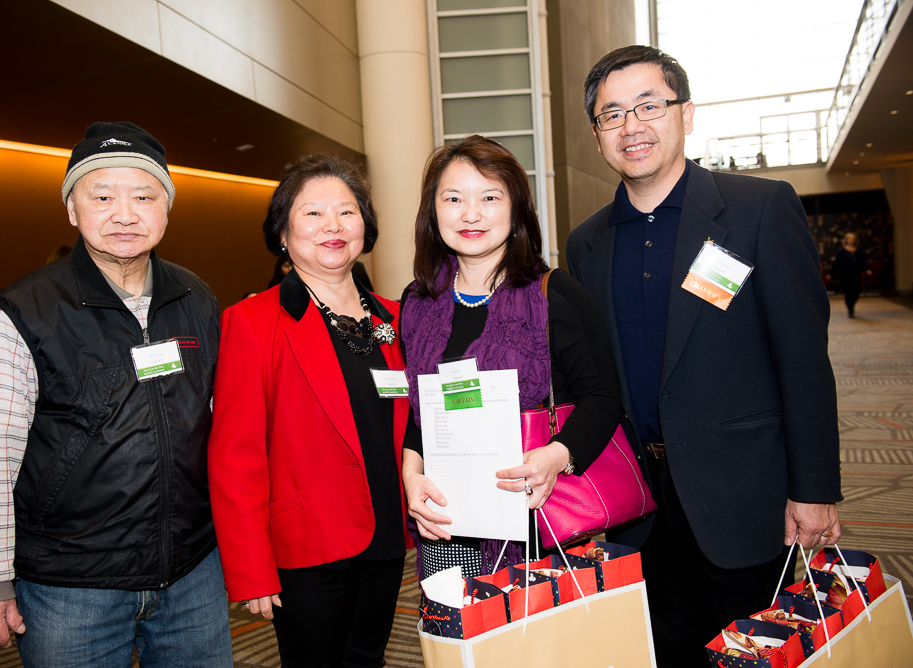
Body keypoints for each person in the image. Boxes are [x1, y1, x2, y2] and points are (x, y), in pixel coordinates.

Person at [566, 46, 841, 668]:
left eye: (648, 106)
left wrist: (815, 488)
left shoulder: (759, 209)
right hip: (640, 507)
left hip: (747, 496)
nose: (631, 125)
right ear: (597, 134)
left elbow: (802, 358)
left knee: (760, 654)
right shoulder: (586, 243)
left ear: (686, 114)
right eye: (613, 115)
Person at [0, 122, 233, 667]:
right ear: (71, 209)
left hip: (193, 574)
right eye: (102, 196)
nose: (124, 214)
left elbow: (222, 423)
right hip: (70, 586)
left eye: (144, 196)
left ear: (166, 209)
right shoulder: (28, 309)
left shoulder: (195, 297)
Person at [208, 154, 412, 668]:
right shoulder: (252, 321)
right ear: (282, 233)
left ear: (366, 227)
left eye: (346, 212)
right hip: (307, 546)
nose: (333, 226)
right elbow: (236, 455)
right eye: (313, 214)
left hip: (386, 537)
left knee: (367, 662)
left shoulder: (396, 318)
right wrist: (251, 568)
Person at [401, 135, 622, 578]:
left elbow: (603, 397)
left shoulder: (555, 295)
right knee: (457, 642)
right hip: (449, 524)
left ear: (515, 209)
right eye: (453, 198)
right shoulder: (418, 302)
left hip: (540, 522)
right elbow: (422, 410)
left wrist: (556, 456)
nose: (471, 214)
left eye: (489, 197)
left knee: (536, 645)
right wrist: (411, 474)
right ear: (433, 210)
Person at [833, 232, 872, 318]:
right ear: (846, 240)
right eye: (850, 238)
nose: (851, 240)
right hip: (845, 274)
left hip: (855, 273)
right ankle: (850, 309)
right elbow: (836, 263)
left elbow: (864, 261)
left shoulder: (859, 251)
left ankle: (852, 305)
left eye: (853, 239)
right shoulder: (841, 251)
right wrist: (830, 273)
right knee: (848, 292)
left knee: (856, 292)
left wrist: (867, 269)